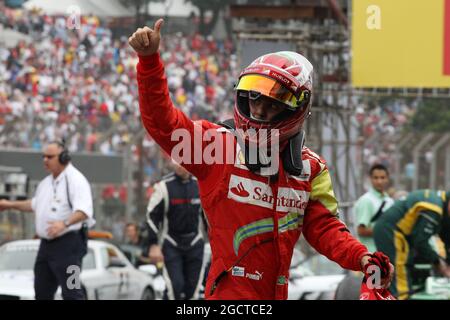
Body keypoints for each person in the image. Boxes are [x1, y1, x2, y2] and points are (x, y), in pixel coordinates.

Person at [128, 19, 394, 300]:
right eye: (254, 98)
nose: (259, 110)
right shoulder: (217, 147)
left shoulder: (310, 168)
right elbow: (164, 125)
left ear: (297, 108)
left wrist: (362, 257)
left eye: (271, 103)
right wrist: (149, 62)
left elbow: (324, 228)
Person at [0, 141, 95, 300]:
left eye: (50, 157)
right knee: (42, 291)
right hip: (46, 245)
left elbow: (84, 211)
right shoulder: (46, 183)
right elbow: (34, 204)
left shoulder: (76, 180)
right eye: (43, 156)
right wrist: (9, 204)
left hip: (69, 245)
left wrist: (64, 224)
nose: (45, 160)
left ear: (64, 157)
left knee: (72, 291)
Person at [374, 189, 450, 299]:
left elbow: (446, 237)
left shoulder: (442, 206)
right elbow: (420, 242)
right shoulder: (435, 208)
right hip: (392, 231)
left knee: (403, 269)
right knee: (400, 272)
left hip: (399, 233)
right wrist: (439, 263)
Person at [146, 161, 206, 300]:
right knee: (175, 287)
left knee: (193, 288)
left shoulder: (201, 184)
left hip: (195, 242)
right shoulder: (163, 186)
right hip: (171, 243)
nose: (180, 165)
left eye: (184, 162)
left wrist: (216, 242)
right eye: (177, 162)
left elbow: (210, 216)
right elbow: (151, 215)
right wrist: (153, 244)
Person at [354, 164, 394, 253]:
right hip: (369, 254)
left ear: (387, 179)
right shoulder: (366, 201)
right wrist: (385, 231)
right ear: (370, 179)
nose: (379, 181)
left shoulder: (389, 201)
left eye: (382, 177)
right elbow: (361, 230)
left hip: (385, 254)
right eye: (376, 178)